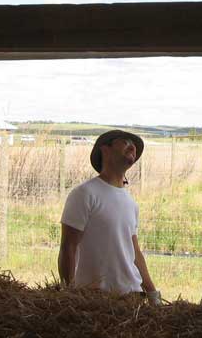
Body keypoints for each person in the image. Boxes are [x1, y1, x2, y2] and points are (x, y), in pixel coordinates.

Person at [58, 129, 161, 305]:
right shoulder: (84, 194)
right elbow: (68, 247)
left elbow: (134, 252)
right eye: (125, 142)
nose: (132, 147)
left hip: (132, 298)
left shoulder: (131, 202)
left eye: (134, 145)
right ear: (105, 150)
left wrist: (152, 293)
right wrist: (69, 295)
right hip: (95, 299)